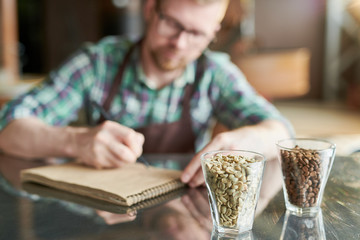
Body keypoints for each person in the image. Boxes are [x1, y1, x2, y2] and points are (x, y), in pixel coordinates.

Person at [0, 0, 293, 188]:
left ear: (212, 33)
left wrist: (246, 141)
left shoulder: (215, 73)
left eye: (196, 34)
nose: (179, 43)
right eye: (173, 24)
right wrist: (75, 141)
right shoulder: (97, 63)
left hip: (184, 213)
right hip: (108, 218)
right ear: (151, 9)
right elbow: (8, 127)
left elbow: (282, 133)